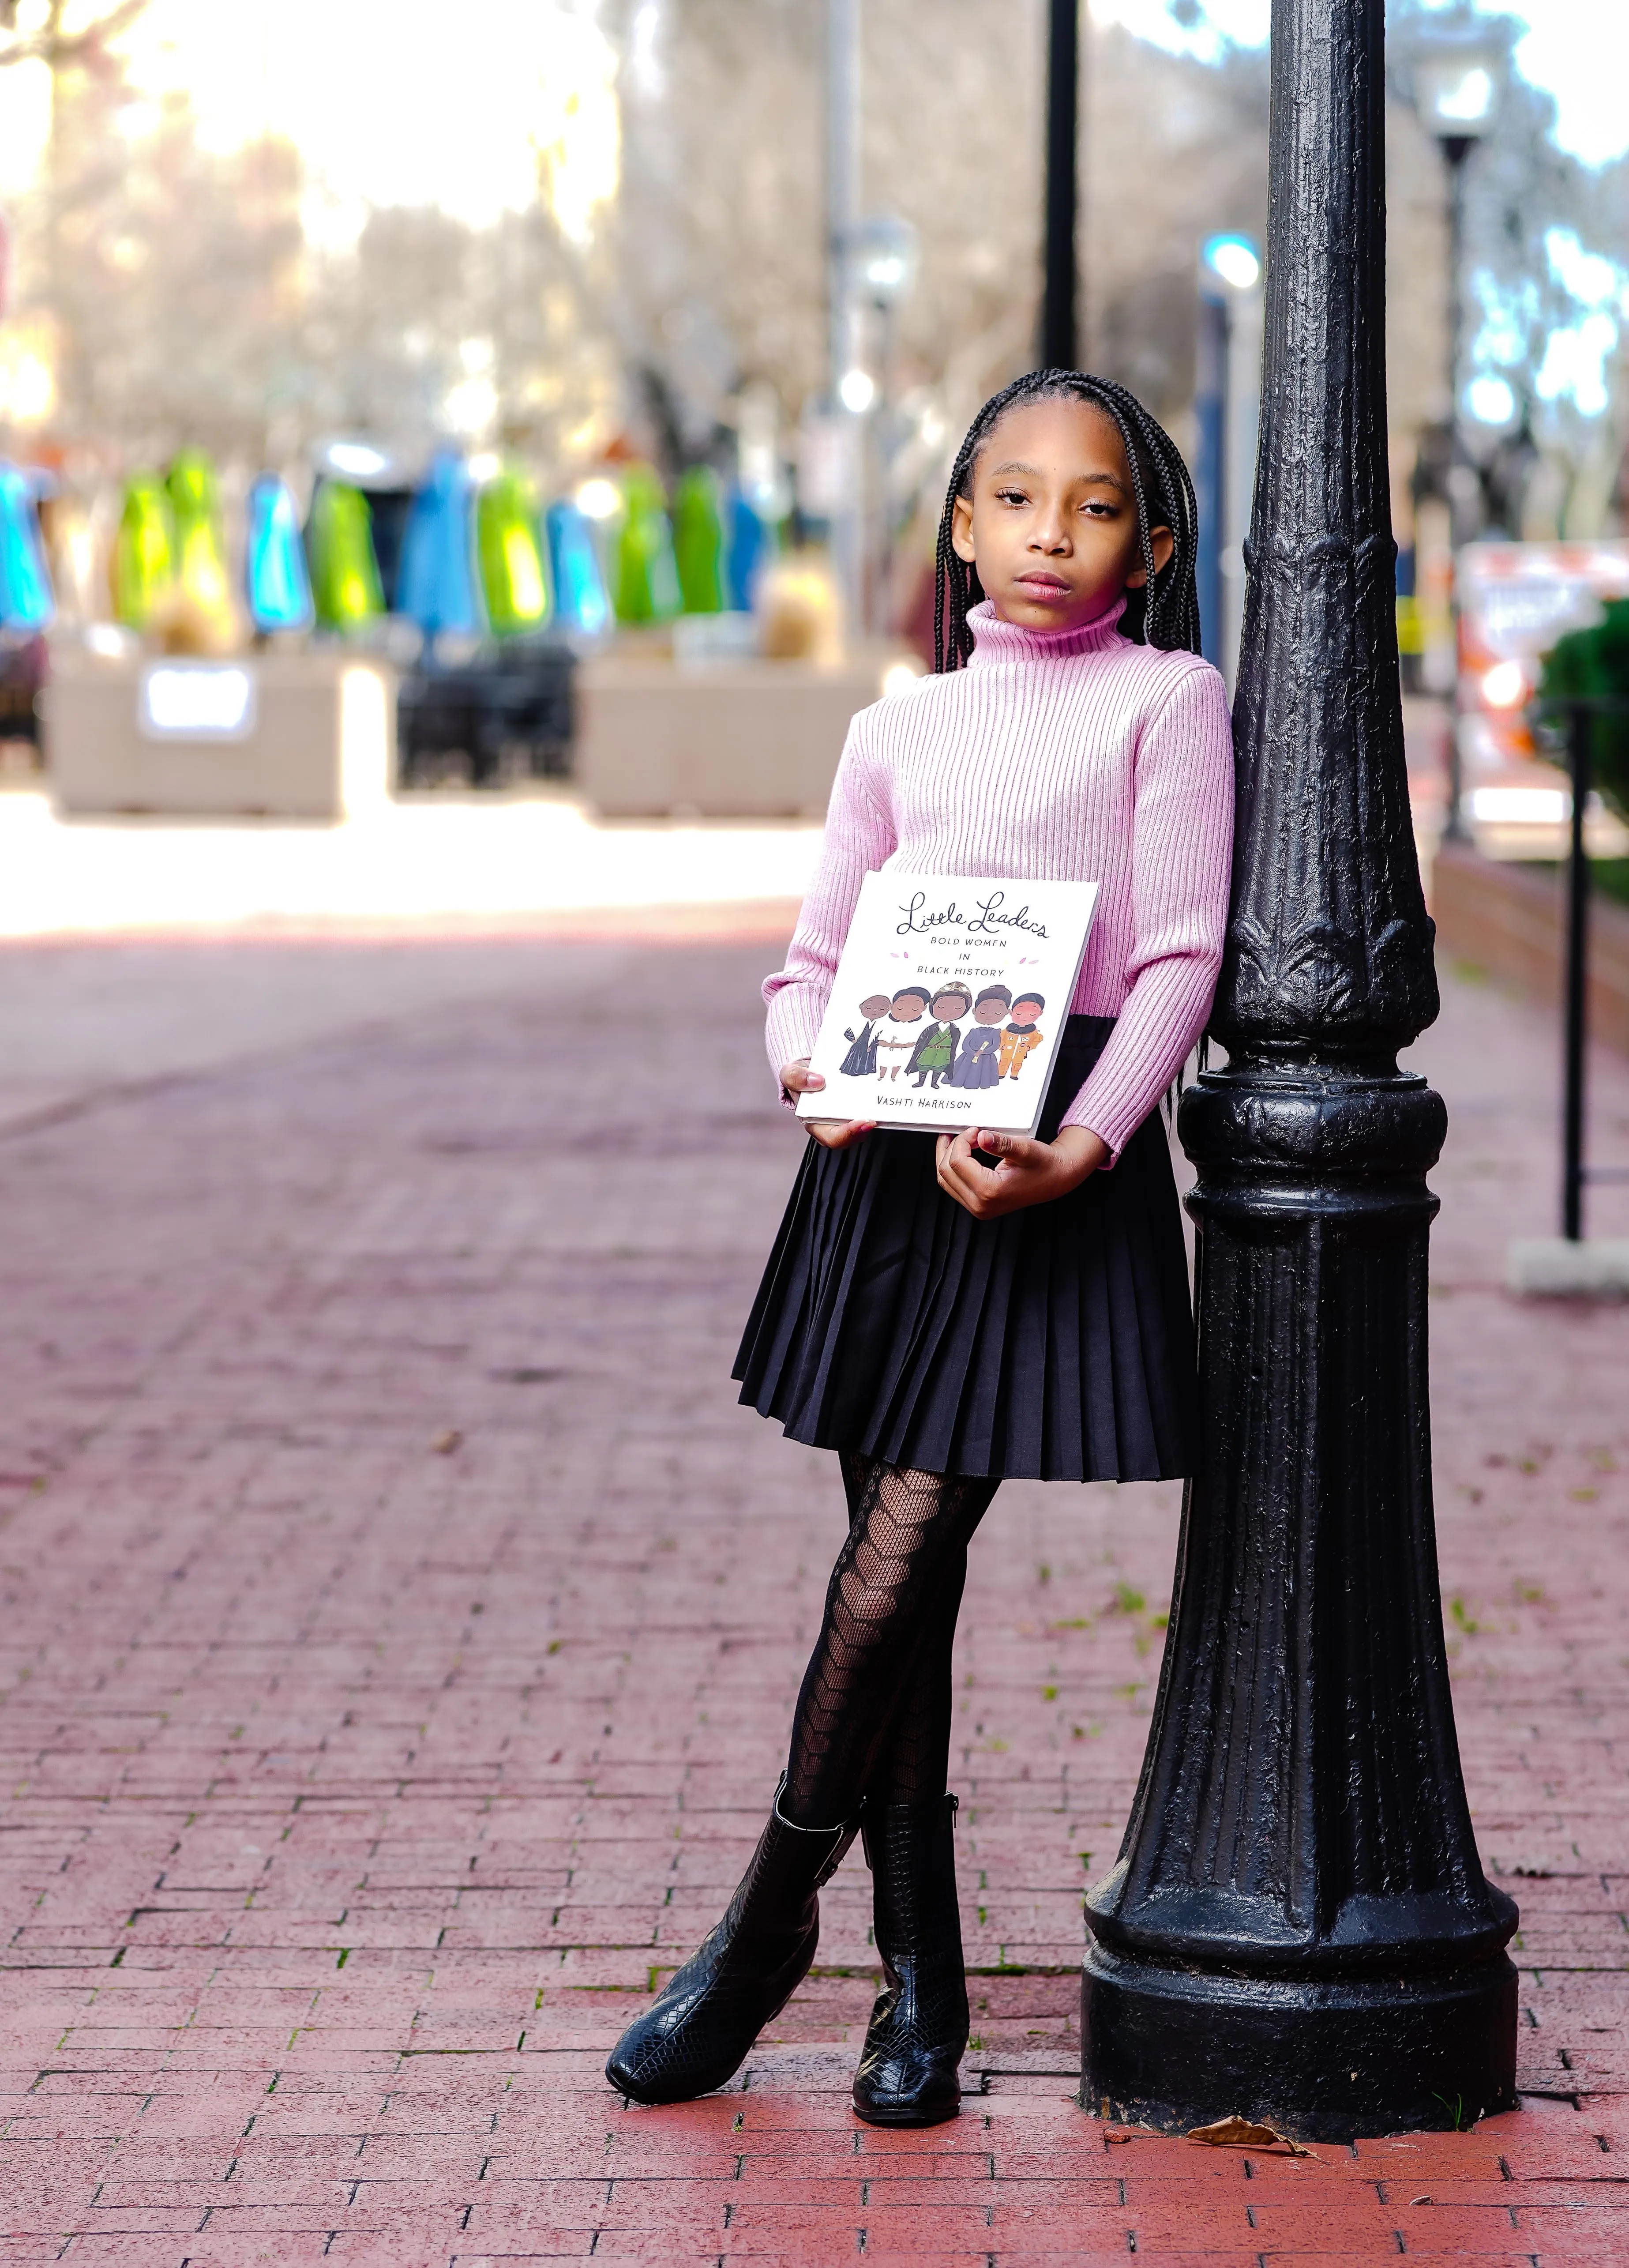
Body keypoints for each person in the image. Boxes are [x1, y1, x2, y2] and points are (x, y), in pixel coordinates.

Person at [605, 369, 1233, 2129]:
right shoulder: (895, 727)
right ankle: (919, 1995)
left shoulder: (1167, 703)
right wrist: (800, 1072)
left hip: (1041, 1150)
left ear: (1149, 539)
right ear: (958, 521)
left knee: (895, 1563)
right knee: (900, 1598)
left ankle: (758, 1930)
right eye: (1013, 498)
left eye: (1092, 506)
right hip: (882, 1155)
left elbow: (1178, 955)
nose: (1050, 533)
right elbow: (806, 964)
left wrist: (1087, 1144)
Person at [906, 984, 972, 1088]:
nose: (948, 1011)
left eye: (957, 1008)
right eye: (941, 1007)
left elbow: (955, 1045)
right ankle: (921, 1082)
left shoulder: (955, 1030)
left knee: (939, 1068)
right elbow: (921, 1041)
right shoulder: (931, 1028)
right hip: (928, 1051)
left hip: (944, 1053)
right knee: (924, 1066)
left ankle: (934, 1083)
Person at [946, 985, 1009, 1089]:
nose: (989, 1016)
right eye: (983, 1012)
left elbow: (995, 1046)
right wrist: (973, 1052)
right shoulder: (974, 1031)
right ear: (975, 1011)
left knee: (982, 1073)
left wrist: (982, 1052)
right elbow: (965, 1044)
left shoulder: (996, 1033)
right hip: (968, 1057)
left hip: (986, 1059)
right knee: (964, 1071)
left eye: (997, 1012)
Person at [873, 985, 929, 1081]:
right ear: (891, 1007)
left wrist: (900, 1046)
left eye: (915, 1009)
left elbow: (913, 1043)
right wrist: (886, 1044)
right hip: (885, 1050)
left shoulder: (917, 1027)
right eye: (900, 1008)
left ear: (924, 1009)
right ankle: (881, 1076)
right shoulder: (884, 1024)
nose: (907, 1012)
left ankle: (893, 1077)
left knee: (897, 1064)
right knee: (883, 1063)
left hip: (902, 1052)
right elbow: (877, 1039)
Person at [840, 993, 893, 1078]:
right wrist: (854, 1040)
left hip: (871, 1046)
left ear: (889, 1008)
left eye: (882, 1008)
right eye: (869, 1007)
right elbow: (848, 1031)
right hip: (859, 1045)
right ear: (862, 1007)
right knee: (856, 1060)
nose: (875, 1010)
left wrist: (872, 1045)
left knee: (866, 1060)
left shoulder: (882, 1024)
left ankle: (864, 1070)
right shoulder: (858, 1022)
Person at [997, 992, 1046, 1082]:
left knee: (1018, 1064)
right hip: (1007, 1051)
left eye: (1032, 1014)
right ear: (1011, 1012)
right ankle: (1001, 1074)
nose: (1024, 1017)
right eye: (1019, 1013)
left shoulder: (1033, 1031)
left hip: (1021, 1052)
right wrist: (1002, 1046)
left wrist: (1029, 1047)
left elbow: (1038, 1039)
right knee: (1003, 1063)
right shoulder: (1008, 1030)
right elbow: (1000, 1037)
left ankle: (1014, 1074)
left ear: (1040, 1013)